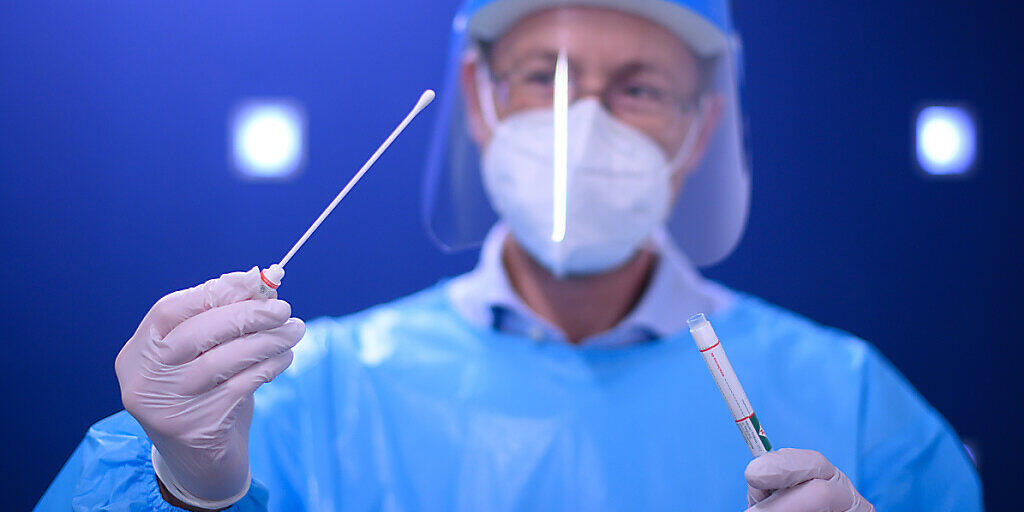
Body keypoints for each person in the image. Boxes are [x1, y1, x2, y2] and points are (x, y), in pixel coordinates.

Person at [37, 1, 982, 511]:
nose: (586, 123)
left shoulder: (855, 402)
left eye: (641, 86)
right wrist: (183, 489)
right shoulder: (303, 392)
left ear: (700, 132)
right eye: (546, 77)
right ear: (479, 101)